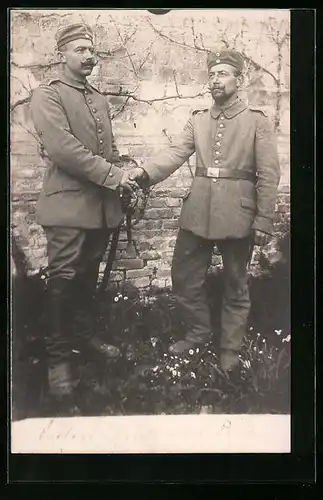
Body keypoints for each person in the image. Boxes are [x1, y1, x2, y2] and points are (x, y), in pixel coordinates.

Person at [127, 48, 281, 373]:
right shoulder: (198, 120)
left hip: (238, 214)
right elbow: (174, 153)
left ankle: (230, 349)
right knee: (183, 276)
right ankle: (198, 333)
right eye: (212, 75)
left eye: (223, 74)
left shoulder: (256, 121)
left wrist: (264, 218)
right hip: (197, 212)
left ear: (239, 80)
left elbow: (269, 173)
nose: (215, 80)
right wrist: (144, 173)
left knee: (236, 283)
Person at [30, 23, 138, 400]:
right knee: (61, 283)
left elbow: (104, 149)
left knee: (87, 279)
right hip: (66, 206)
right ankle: (58, 362)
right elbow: (62, 149)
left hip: (99, 208)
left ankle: (84, 337)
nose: (89, 56)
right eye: (80, 50)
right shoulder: (47, 95)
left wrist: (123, 171)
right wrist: (113, 175)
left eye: (92, 51)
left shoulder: (97, 97)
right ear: (62, 53)